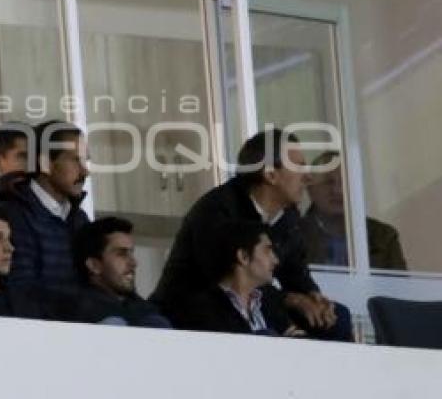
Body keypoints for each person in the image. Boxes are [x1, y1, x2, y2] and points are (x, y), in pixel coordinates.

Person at [150, 129, 353, 341]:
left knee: (336, 320)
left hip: (252, 304)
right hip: (196, 310)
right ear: (270, 174)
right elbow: (231, 282)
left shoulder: (288, 214)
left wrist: (314, 297)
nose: (308, 177)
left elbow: (296, 272)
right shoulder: (218, 210)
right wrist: (292, 300)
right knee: (275, 333)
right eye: (299, 167)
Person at [0, 120, 90, 294]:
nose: (85, 172)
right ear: (45, 163)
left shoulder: (79, 219)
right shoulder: (12, 216)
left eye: (85, 161)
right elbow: (23, 293)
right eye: (76, 160)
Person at [182, 220, 303, 337]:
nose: (275, 260)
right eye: (267, 250)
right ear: (244, 256)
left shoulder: (268, 302)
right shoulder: (204, 309)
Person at [301, 150, 407, 270]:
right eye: (328, 182)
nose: (337, 190)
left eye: (344, 183)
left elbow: (399, 287)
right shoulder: (292, 236)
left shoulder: (383, 237)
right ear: (310, 189)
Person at [68, 217, 171, 328]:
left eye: (132, 253)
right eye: (122, 254)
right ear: (94, 265)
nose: (133, 262)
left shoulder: (148, 312)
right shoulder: (74, 314)